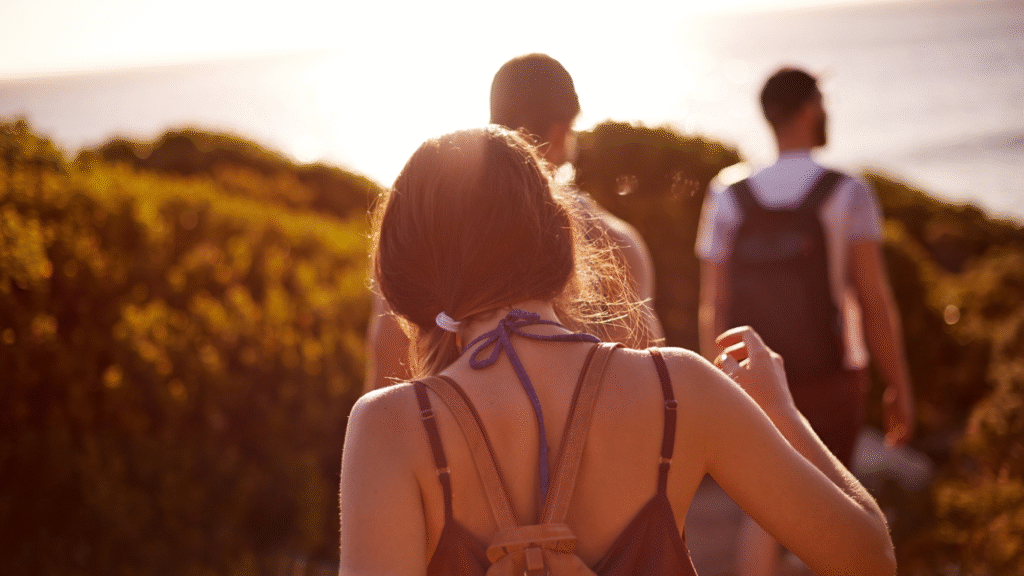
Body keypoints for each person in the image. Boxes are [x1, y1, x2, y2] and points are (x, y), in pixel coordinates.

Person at [339, 126, 896, 575]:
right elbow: (869, 559)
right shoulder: (681, 388)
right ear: (561, 234)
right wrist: (784, 416)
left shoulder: (390, 426)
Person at [695, 67, 915, 576]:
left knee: (765, 509)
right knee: (834, 506)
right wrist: (899, 385)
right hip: (833, 376)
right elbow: (873, 299)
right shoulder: (848, 191)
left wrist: (717, 388)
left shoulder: (728, 193)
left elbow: (715, 305)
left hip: (753, 378)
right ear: (812, 108)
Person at [363, 53, 663, 394]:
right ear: (561, 130)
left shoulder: (423, 230)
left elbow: (387, 367)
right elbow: (643, 384)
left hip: (449, 439)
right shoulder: (616, 241)